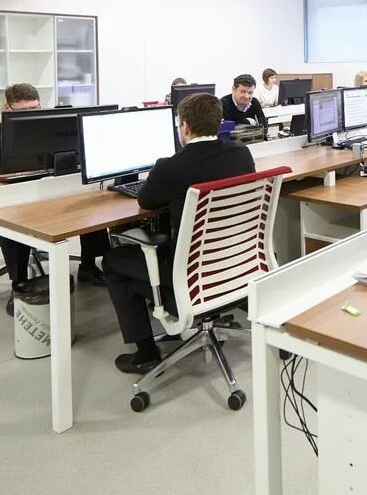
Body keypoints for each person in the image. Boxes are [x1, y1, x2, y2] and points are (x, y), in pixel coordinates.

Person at [103, 93, 256, 374]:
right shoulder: (241, 153)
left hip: (190, 275)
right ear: (218, 122)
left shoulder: (170, 166)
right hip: (235, 265)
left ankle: (146, 354)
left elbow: (146, 201)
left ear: (184, 127)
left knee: (114, 261)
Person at [0, 84, 109, 315]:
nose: (29, 115)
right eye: (22, 111)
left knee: (89, 206)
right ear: (7, 108)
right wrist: (19, 166)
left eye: (34, 109)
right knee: (15, 223)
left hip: (50, 194)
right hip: (11, 201)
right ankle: (19, 284)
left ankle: (88, 266)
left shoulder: (49, 130)